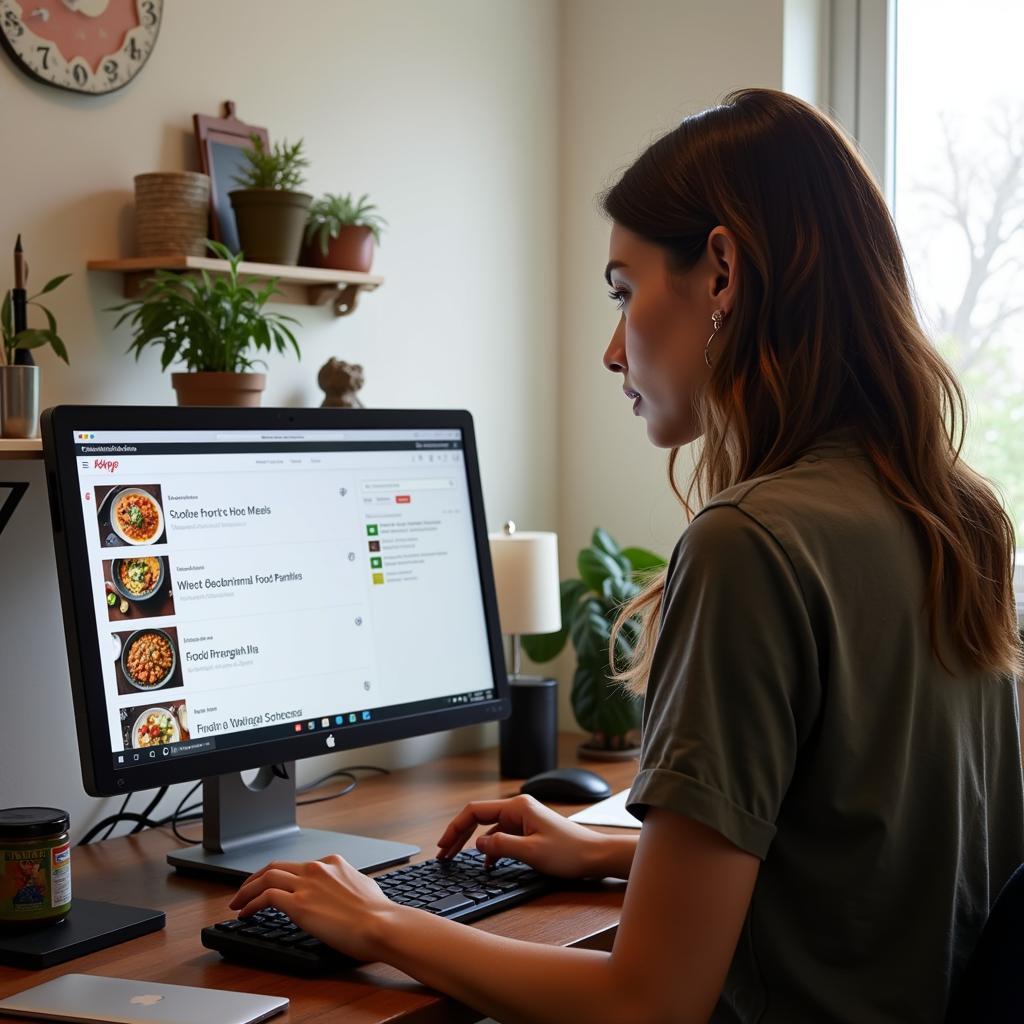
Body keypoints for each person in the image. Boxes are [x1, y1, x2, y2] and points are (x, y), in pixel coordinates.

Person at [228, 89, 1024, 1023]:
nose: (613, 349)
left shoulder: (751, 546)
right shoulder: (954, 515)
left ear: (721, 273)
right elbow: (872, 861)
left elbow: (648, 1004)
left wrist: (379, 922)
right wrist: (611, 852)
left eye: (623, 289)